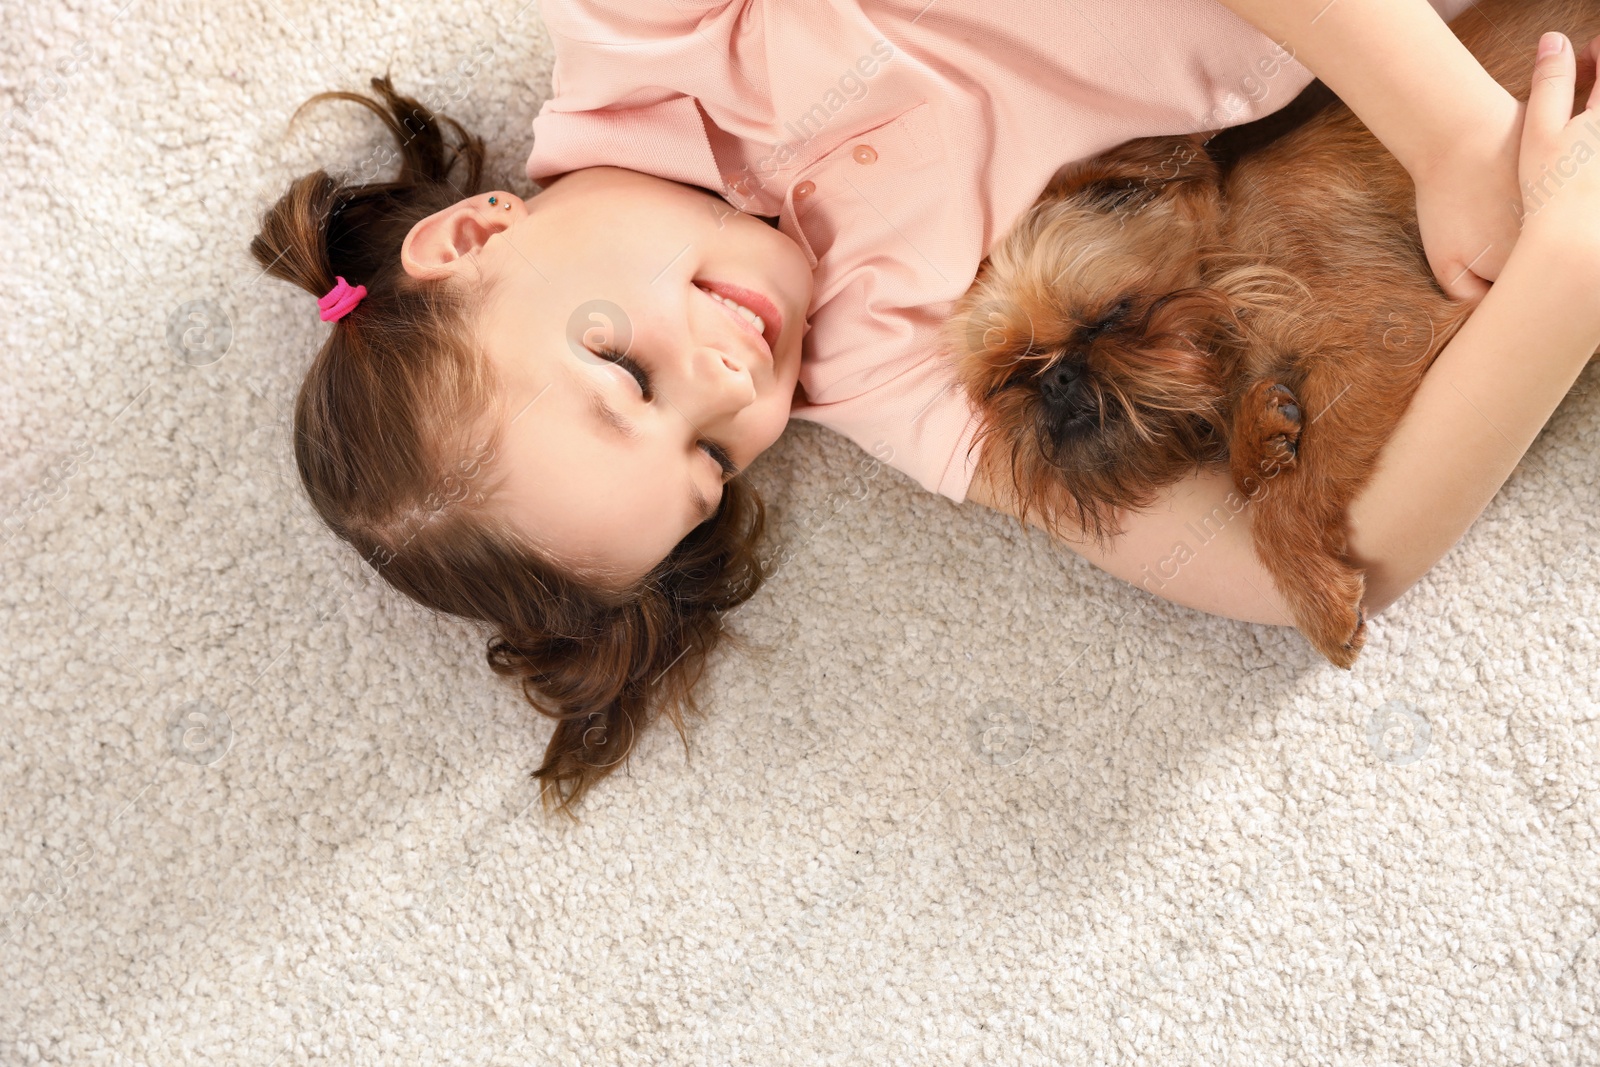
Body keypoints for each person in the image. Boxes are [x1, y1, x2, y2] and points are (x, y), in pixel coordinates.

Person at [250, 0, 1600, 814]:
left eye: (625, 376)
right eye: (713, 459)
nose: (728, 389)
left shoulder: (643, 35)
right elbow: (1293, 573)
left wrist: (1451, 140)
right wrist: (1562, 256)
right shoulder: (874, 364)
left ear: (473, 237)